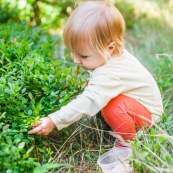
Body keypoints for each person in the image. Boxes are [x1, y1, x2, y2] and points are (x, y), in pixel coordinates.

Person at [28, 0, 163, 157]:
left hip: (147, 117)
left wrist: (54, 120)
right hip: (138, 106)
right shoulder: (109, 57)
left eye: (83, 56)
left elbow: (88, 102)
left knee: (112, 106)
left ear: (110, 47)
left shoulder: (111, 73)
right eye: (72, 51)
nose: (75, 60)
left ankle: (127, 144)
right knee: (103, 97)